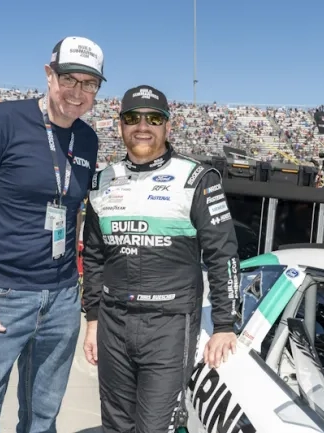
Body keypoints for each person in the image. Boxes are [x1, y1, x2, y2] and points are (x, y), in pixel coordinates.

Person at [0, 36, 105, 432]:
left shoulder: (88, 139)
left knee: (41, 419)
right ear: (50, 75)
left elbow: (72, 211)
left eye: (90, 84)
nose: (78, 93)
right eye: (70, 79)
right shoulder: (2, 120)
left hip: (62, 299)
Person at [81, 84, 240, 433]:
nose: (143, 126)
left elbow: (222, 254)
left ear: (168, 126)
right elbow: (93, 256)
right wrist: (92, 318)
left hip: (169, 325)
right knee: (116, 425)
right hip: (113, 322)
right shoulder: (101, 182)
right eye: (132, 118)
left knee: (155, 428)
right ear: (120, 125)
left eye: (154, 118)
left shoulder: (197, 179)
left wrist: (225, 325)